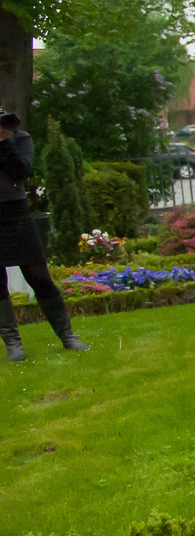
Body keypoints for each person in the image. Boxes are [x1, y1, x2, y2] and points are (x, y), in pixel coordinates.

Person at [0, 112, 90, 361]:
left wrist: (5, 142)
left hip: (15, 212)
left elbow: (21, 172)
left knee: (39, 276)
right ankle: (13, 344)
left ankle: (67, 336)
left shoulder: (20, 138)